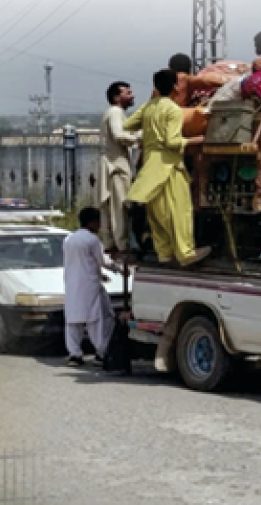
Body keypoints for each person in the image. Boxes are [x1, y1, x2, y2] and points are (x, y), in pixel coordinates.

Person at [124, 70, 211, 267]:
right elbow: (172, 142)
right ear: (175, 87)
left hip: (150, 167)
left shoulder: (150, 108)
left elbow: (128, 124)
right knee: (180, 211)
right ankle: (185, 253)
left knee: (158, 213)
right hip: (169, 166)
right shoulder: (173, 110)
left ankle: (164, 253)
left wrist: (149, 102)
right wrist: (197, 140)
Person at [63, 207, 119, 366]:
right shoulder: (92, 240)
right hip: (89, 286)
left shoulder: (68, 239)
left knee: (73, 320)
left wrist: (99, 274)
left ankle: (74, 354)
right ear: (93, 222)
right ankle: (102, 352)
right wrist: (120, 268)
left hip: (72, 284)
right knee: (96, 320)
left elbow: (80, 263)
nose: (100, 224)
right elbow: (103, 261)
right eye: (99, 221)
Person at [98, 81, 141, 260]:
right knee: (120, 207)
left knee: (114, 207)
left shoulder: (114, 113)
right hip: (116, 166)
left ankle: (114, 243)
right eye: (128, 92)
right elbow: (118, 135)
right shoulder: (116, 112)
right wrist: (140, 136)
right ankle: (121, 244)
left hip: (115, 163)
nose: (132, 96)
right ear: (117, 97)